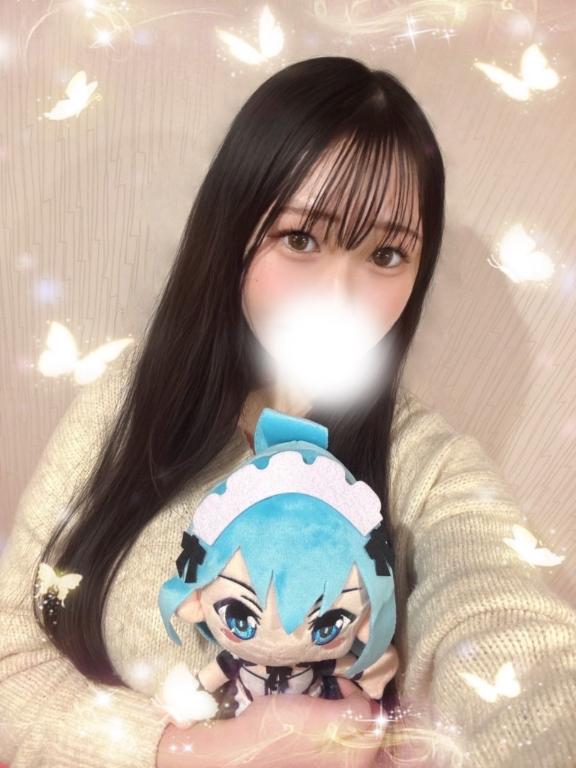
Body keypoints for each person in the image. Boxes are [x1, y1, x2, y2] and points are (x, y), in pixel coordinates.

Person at [1, 55, 575, 768]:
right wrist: (193, 751)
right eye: (301, 239)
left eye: (386, 254)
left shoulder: (427, 468)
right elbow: (9, 650)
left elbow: (500, 625)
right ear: (233, 230)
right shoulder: (127, 403)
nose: (339, 296)